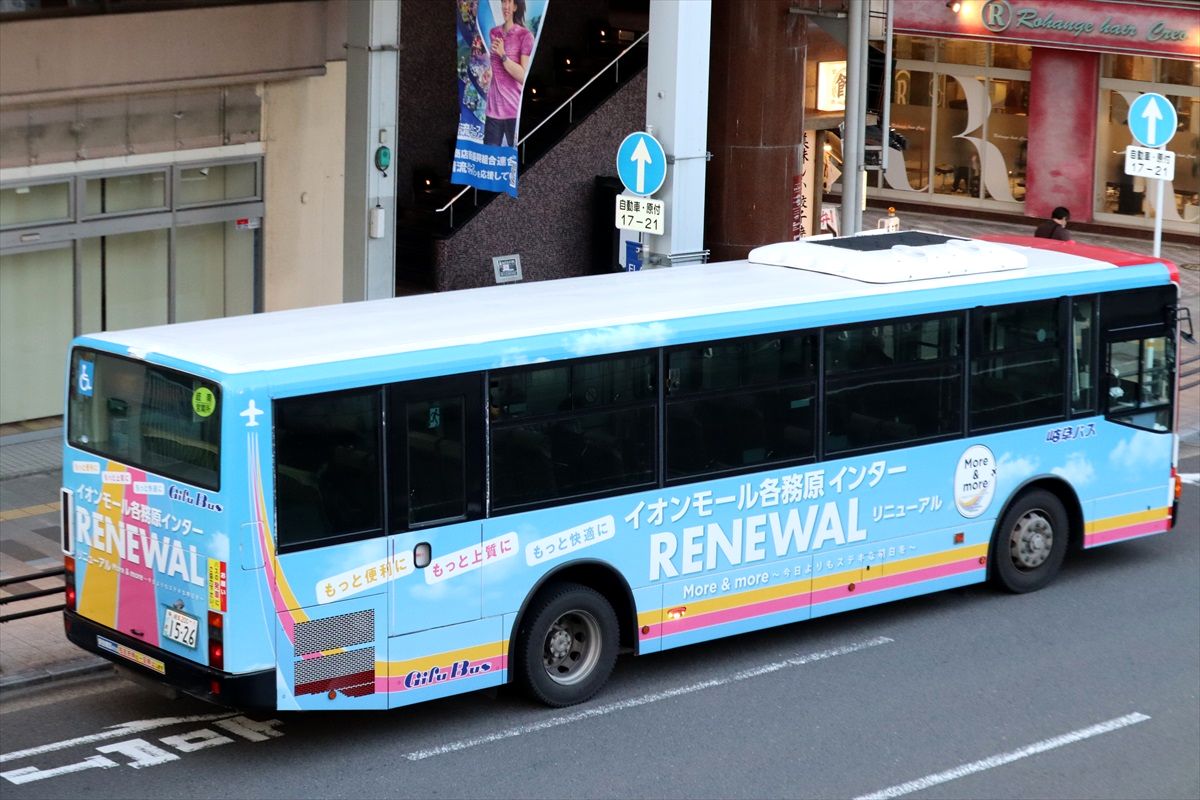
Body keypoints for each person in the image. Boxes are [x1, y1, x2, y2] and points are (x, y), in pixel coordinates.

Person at [483, 0, 534, 147]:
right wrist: (488, 73)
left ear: (516, 7)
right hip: (493, 111)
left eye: (509, 2)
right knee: (490, 157)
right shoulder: (494, 32)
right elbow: (495, 66)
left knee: (514, 157)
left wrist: (503, 55)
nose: (505, 6)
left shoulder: (525, 36)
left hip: (513, 110)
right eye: (503, 2)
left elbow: (523, 76)